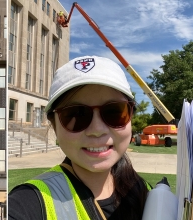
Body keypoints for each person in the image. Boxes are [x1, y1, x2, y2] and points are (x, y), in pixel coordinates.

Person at [8, 56, 151, 220]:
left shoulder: (146, 192)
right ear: (54, 125)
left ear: (130, 116)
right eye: (75, 114)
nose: (97, 130)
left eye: (114, 112)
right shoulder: (26, 203)